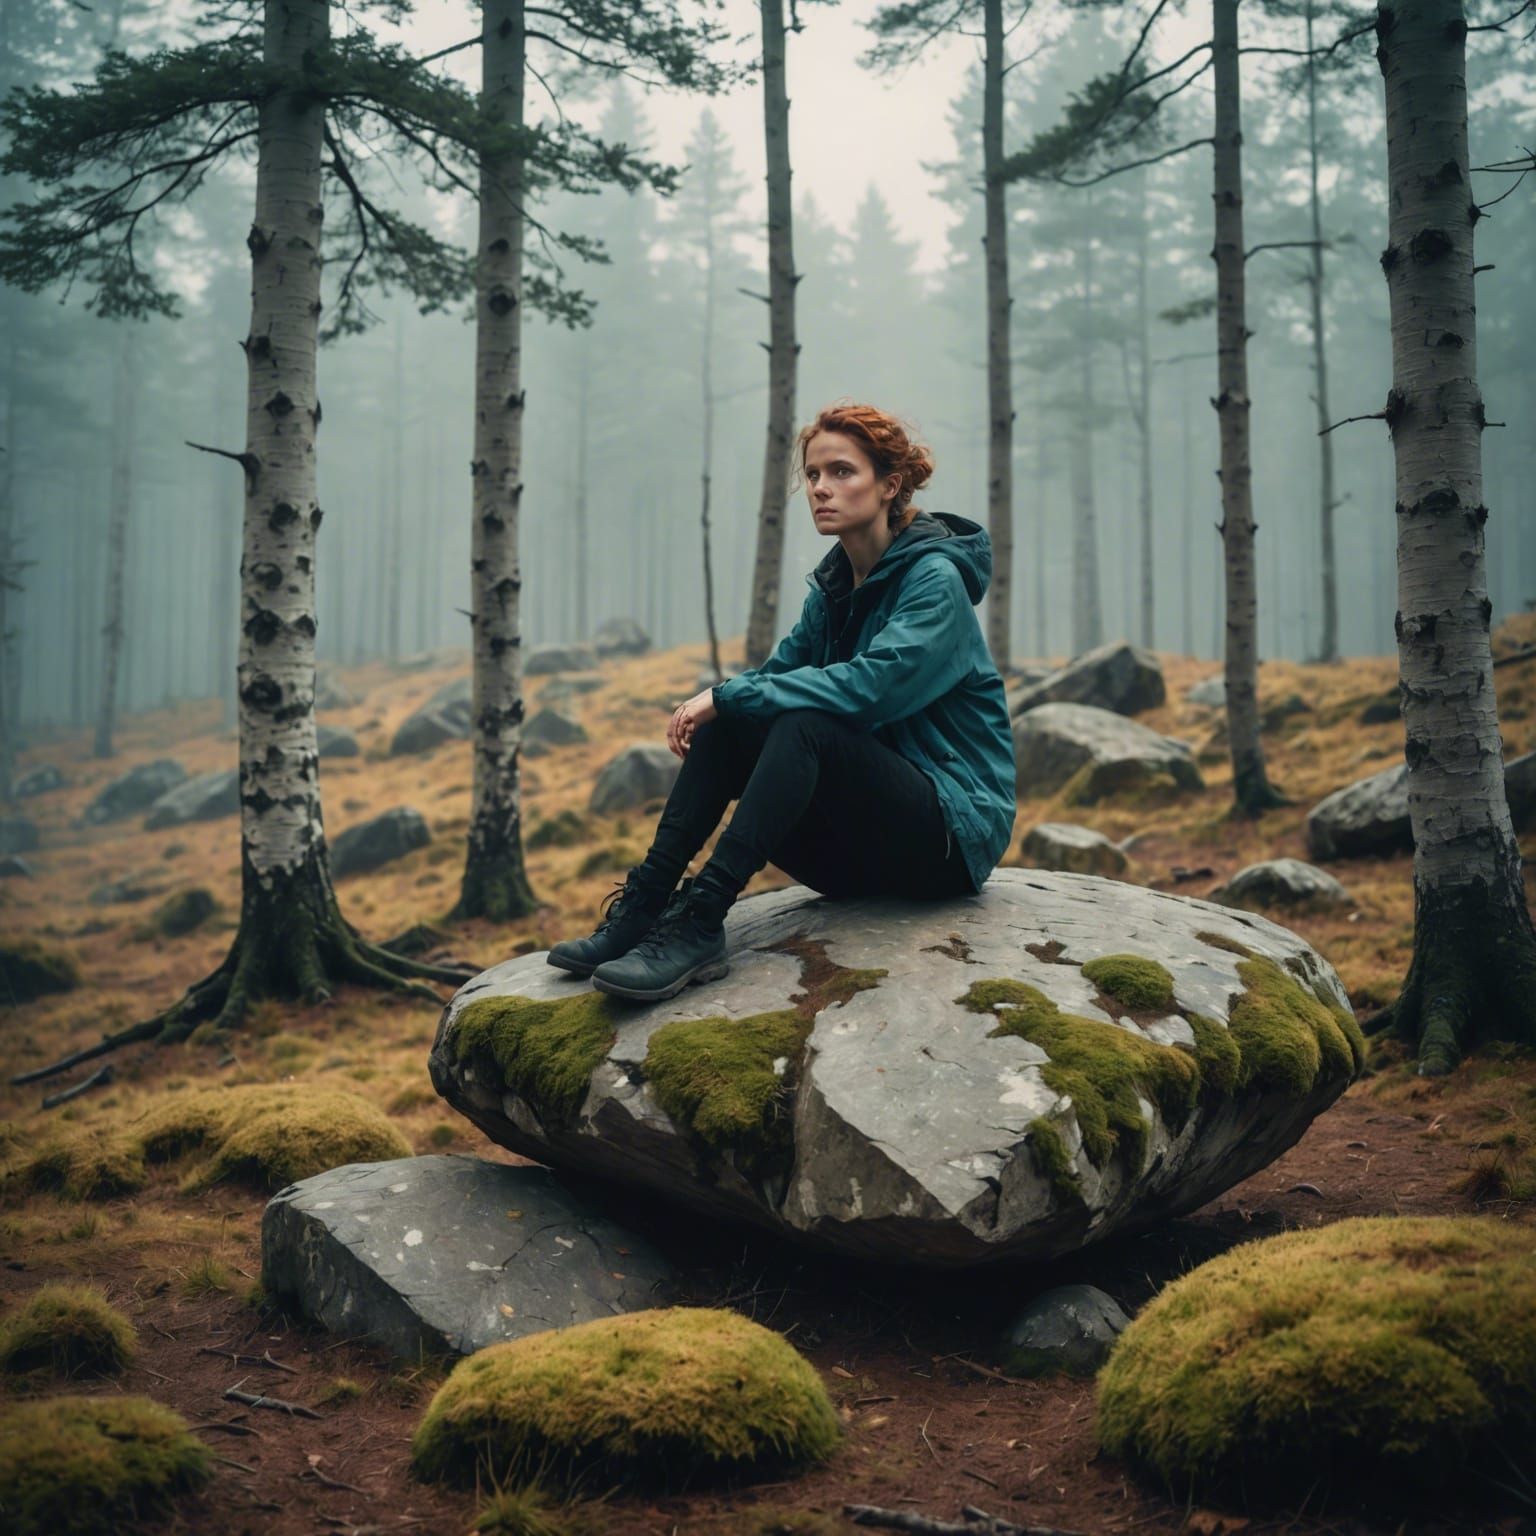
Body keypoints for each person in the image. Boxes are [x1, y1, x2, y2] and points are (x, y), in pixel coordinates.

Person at [547, 401, 1017, 1003]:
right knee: (739, 718)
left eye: (842, 472)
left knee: (797, 722)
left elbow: (871, 689)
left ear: (889, 485)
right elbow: (773, 683)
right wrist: (727, 706)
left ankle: (700, 921)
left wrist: (726, 693)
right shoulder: (835, 587)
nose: (822, 488)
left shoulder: (935, 582)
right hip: (861, 852)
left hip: (949, 839)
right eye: (814, 475)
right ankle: (644, 904)